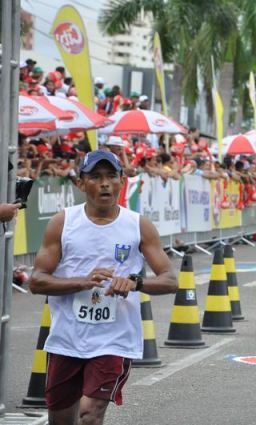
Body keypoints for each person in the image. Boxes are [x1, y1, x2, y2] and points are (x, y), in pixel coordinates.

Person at [28, 150, 178, 425]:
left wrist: (135, 282)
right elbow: (36, 281)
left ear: (122, 180)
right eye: (96, 177)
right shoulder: (63, 223)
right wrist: (82, 281)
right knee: (60, 420)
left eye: (111, 176)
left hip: (115, 339)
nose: (105, 183)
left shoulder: (138, 225)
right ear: (81, 183)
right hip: (67, 339)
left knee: (89, 414)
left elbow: (170, 280)